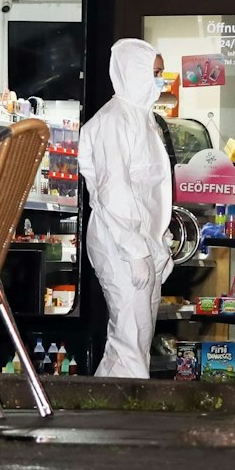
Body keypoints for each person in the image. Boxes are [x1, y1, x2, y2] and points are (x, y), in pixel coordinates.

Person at [81, 38, 174, 378]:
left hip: (143, 242)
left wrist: (158, 245)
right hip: (119, 243)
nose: (161, 80)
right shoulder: (113, 121)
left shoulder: (143, 119)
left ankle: (101, 401)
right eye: (156, 72)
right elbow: (114, 191)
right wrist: (134, 251)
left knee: (136, 337)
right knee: (130, 338)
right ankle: (130, 404)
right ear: (135, 72)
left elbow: (151, 192)